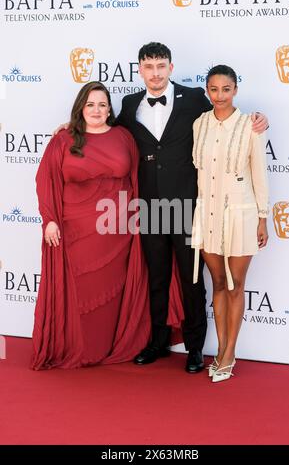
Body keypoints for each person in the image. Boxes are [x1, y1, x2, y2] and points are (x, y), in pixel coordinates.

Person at [55, 42, 268, 373]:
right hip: (149, 207)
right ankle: (158, 341)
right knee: (156, 276)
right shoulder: (127, 104)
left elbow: (225, 116)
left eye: (161, 66)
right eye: (148, 67)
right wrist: (69, 130)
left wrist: (258, 121)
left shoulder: (196, 97)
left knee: (191, 279)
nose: (155, 73)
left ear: (170, 67)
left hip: (189, 206)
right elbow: (103, 128)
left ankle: (196, 349)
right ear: (140, 69)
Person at [31, 81, 150, 370]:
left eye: (102, 104)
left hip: (118, 229)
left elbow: (135, 180)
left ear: (110, 109)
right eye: (90, 104)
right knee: (82, 290)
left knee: (113, 291)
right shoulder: (63, 140)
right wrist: (49, 220)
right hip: (76, 229)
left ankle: (109, 346)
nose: (96, 110)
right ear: (80, 108)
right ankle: (79, 348)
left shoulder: (124, 137)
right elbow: (46, 181)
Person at [192, 65, 269, 382]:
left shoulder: (251, 125)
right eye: (213, 89)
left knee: (235, 286)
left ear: (235, 89)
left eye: (226, 89)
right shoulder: (200, 124)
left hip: (241, 214)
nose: (220, 95)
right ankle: (221, 348)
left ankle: (229, 353)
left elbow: (259, 174)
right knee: (219, 285)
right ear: (207, 91)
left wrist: (263, 218)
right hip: (207, 214)